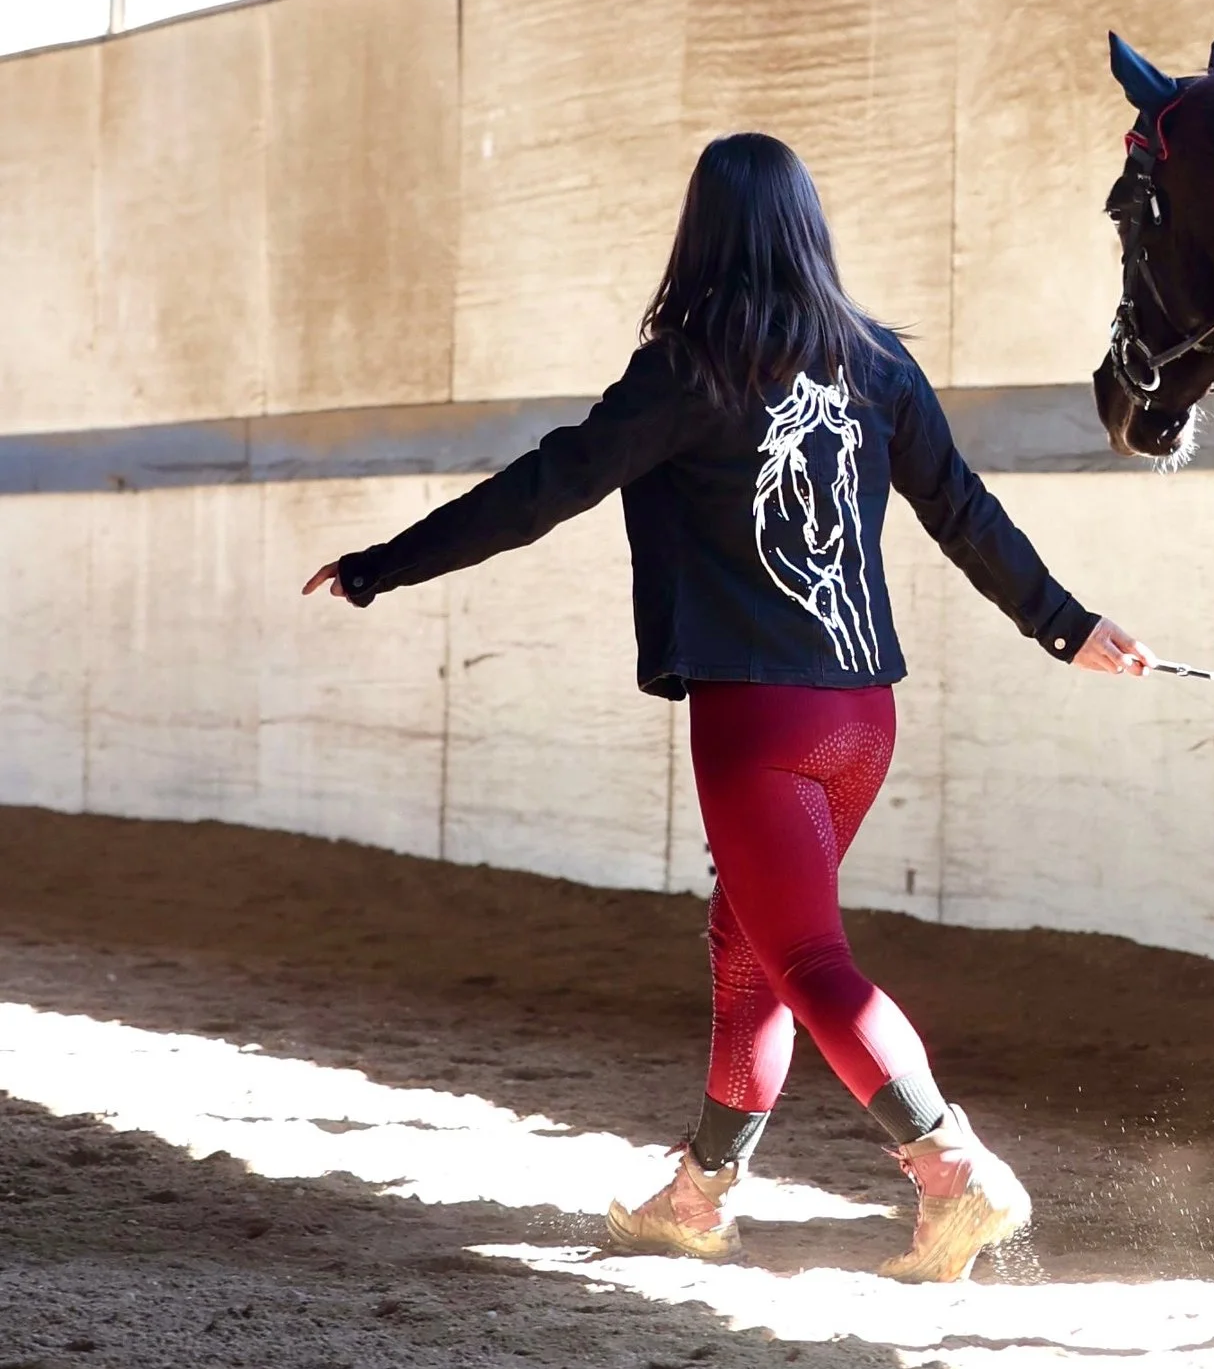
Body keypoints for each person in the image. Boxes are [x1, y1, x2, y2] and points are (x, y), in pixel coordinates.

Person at [306, 131, 1148, 1279]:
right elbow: (964, 511)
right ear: (808, 228)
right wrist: (1067, 625)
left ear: (702, 231)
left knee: (803, 953)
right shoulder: (880, 364)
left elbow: (541, 490)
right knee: (749, 940)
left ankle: (952, 1168)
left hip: (758, 723)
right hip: (862, 718)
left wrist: (382, 565)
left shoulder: (687, 372)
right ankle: (698, 1194)